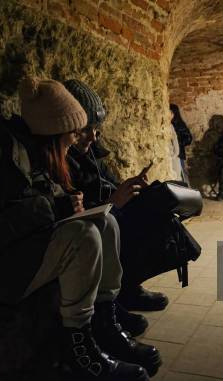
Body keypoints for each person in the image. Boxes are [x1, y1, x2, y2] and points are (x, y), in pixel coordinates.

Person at [0, 77, 160, 381]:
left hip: (1, 262)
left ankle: (102, 325)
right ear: (53, 134)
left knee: (103, 223)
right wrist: (51, 208)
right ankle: (79, 358)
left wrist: (68, 207)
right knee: (84, 235)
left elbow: (43, 207)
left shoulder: (33, 154)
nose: (75, 143)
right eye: (72, 135)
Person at [63, 79, 170, 317]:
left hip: (106, 212)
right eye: (85, 129)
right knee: (119, 226)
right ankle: (115, 298)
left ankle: (129, 286)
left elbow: (109, 183)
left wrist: (129, 188)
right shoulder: (61, 157)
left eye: (96, 129)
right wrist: (114, 201)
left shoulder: (90, 152)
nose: (92, 136)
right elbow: (74, 211)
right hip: (95, 223)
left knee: (160, 207)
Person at [170, 104, 193, 185]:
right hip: (171, 154)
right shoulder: (167, 125)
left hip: (179, 154)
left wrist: (178, 143)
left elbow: (188, 138)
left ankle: (187, 192)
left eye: (171, 113)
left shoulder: (180, 124)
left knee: (182, 173)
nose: (169, 115)